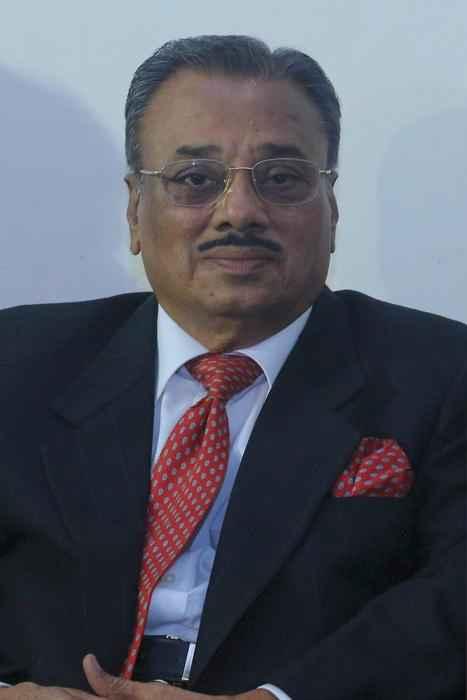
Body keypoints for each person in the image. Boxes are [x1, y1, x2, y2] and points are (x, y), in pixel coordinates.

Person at [0, 34, 465, 700]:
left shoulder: (441, 377)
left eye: (281, 178)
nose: (240, 211)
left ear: (331, 208)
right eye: (196, 179)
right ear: (134, 210)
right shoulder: (18, 364)